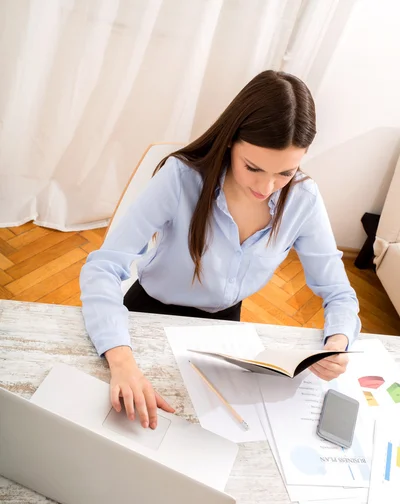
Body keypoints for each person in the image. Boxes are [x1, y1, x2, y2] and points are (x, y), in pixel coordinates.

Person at [80, 70, 360, 430]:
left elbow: (338, 292)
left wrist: (336, 341)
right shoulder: (181, 178)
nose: (267, 186)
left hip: (224, 328)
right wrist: (121, 361)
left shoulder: (303, 199)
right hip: (147, 314)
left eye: (285, 173)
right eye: (253, 167)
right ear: (231, 141)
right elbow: (103, 266)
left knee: (210, 430)